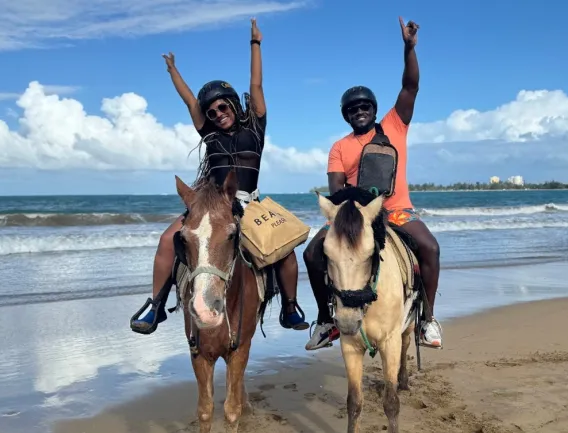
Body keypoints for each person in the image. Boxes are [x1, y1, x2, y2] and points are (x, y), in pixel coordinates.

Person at [131, 18, 308, 334]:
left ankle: (290, 306)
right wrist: (173, 71)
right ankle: (155, 305)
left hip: (249, 205)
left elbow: (256, 85)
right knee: (166, 240)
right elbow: (188, 100)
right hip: (212, 206)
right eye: (211, 112)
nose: (217, 114)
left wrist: (256, 44)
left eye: (222, 107)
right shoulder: (209, 136)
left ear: (233, 105)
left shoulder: (255, 128)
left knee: (286, 251)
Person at [303, 17, 443, 351]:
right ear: (346, 115)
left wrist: (409, 48)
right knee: (311, 253)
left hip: (397, 212)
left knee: (431, 248)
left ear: (374, 109)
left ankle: (427, 320)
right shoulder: (339, 147)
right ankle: (326, 320)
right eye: (352, 109)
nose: (359, 111)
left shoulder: (395, 125)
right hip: (356, 217)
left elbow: (410, 87)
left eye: (364, 106)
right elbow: (337, 193)